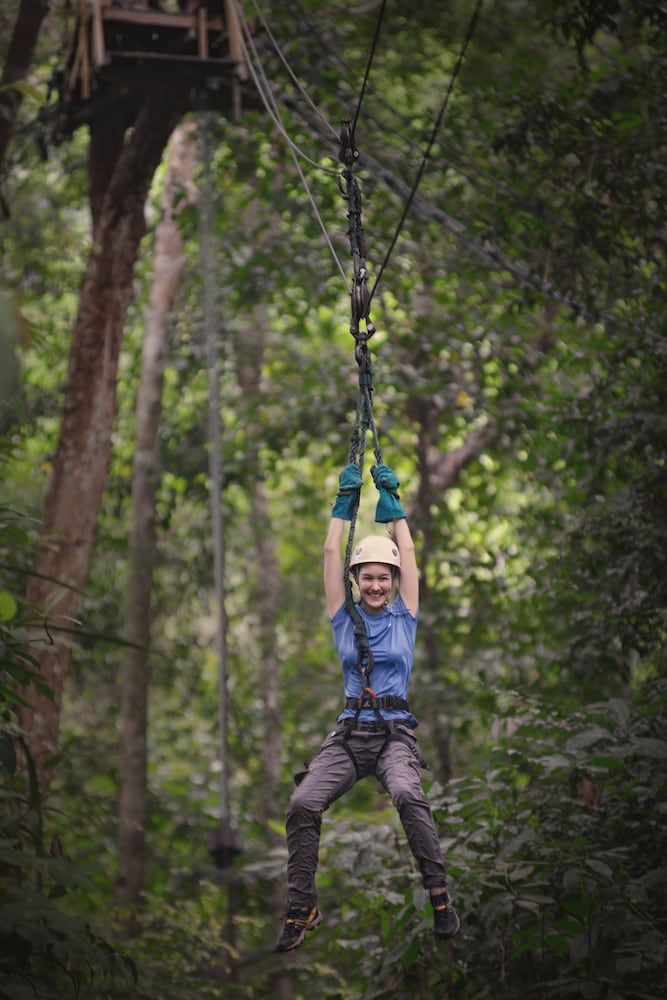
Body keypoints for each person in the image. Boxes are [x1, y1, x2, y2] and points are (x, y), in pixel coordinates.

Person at [276, 461, 460, 952]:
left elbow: (412, 551)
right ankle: (302, 906)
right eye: (367, 578)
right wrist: (344, 504)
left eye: (384, 578)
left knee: (405, 792)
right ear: (355, 578)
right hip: (349, 735)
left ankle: (439, 894)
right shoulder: (343, 616)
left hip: (394, 735)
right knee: (302, 804)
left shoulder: (406, 615)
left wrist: (392, 502)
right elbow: (329, 550)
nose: (376, 586)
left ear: (394, 579)